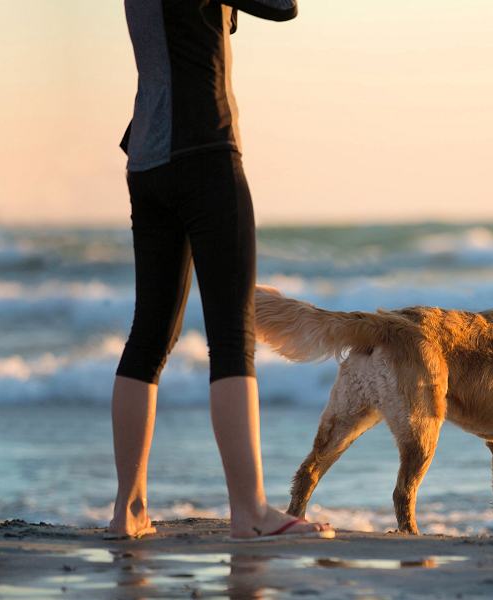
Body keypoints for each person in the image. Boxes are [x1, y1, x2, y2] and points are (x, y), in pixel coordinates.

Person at [107, 0, 333, 541]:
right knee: (232, 338)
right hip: (205, 149)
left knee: (149, 336)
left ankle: (128, 511)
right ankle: (251, 511)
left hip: (146, 158)